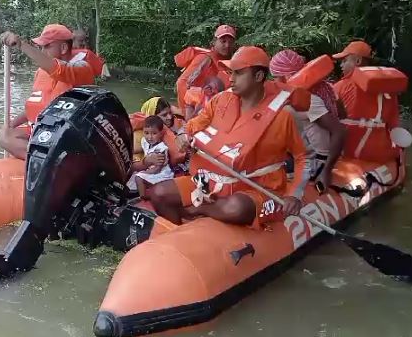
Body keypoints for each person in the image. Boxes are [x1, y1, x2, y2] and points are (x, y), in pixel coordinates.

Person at [148, 46, 308, 228]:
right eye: (231, 72)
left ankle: (199, 211)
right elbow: (192, 125)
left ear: (258, 77)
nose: (231, 79)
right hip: (209, 180)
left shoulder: (285, 114)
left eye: (238, 73)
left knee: (236, 208)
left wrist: (295, 194)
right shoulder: (219, 101)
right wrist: (183, 134)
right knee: (159, 193)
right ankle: (183, 235)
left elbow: (304, 157)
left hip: (255, 189)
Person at [0, 24, 95, 160]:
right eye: (41, 47)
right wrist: (10, 125)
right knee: (4, 135)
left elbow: (58, 69)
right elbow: (35, 105)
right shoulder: (41, 72)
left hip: (65, 136)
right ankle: (45, 159)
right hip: (40, 133)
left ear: (64, 48)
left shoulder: (82, 68)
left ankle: (49, 162)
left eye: (47, 46)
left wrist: (21, 44)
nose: (42, 51)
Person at [270, 50, 346, 191]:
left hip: (317, 161)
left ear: (285, 76)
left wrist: (326, 171)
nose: (274, 82)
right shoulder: (325, 87)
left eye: (275, 77)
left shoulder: (308, 99)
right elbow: (342, 115)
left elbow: (340, 130)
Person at [332, 40, 407, 163]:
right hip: (379, 156)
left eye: (344, 61)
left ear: (358, 61)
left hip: (347, 154)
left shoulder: (339, 87)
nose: (341, 65)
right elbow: (394, 126)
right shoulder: (389, 91)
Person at [173, 24, 236, 110]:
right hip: (197, 113)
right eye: (223, 41)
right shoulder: (203, 58)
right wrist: (190, 112)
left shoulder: (232, 64)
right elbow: (182, 84)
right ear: (214, 42)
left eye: (230, 42)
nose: (227, 45)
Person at [127, 115, 175, 199]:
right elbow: (138, 149)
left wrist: (144, 173)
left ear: (161, 133)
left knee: (138, 177)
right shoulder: (144, 141)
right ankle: (133, 193)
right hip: (149, 169)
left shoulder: (161, 149)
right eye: (146, 133)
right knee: (132, 176)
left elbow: (157, 169)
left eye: (154, 133)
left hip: (161, 173)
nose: (150, 137)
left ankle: (143, 197)